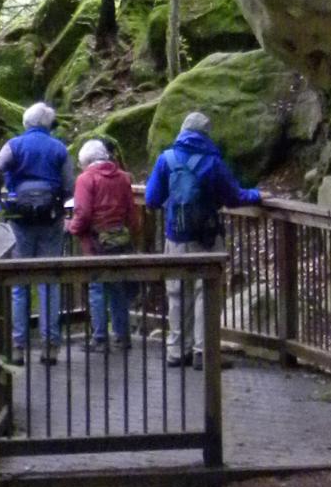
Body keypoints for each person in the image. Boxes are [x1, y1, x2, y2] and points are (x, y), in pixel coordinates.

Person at [144, 111, 262, 368]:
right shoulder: (212, 162)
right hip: (207, 239)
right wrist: (257, 195)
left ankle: (177, 351)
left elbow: (152, 199)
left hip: (175, 237)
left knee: (176, 294)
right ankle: (204, 352)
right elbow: (234, 196)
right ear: (205, 133)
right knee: (205, 293)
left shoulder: (167, 159)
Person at [0, 102, 74, 365]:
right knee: (49, 280)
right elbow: (70, 186)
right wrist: (57, 201)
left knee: (20, 283)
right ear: (48, 124)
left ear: (26, 123)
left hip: (20, 220)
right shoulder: (59, 148)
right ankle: (50, 346)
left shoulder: (14, 145)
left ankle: (18, 346)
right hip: (51, 220)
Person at [69, 137, 143, 351]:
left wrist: (73, 229)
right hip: (120, 240)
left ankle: (100, 338)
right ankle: (122, 335)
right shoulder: (122, 178)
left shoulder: (86, 179)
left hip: (96, 242)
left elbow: (82, 213)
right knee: (118, 287)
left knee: (97, 287)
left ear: (86, 161)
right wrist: (132, 233)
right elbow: (131, 212)